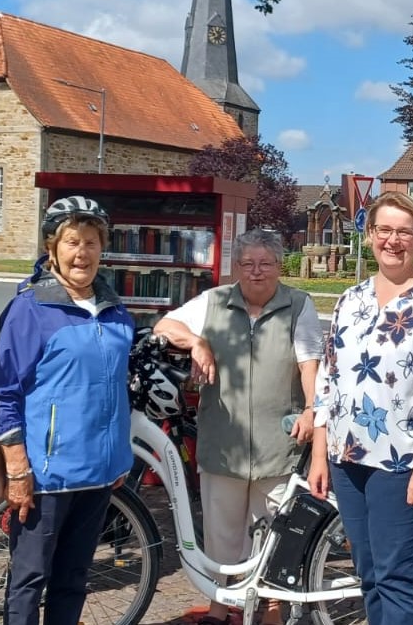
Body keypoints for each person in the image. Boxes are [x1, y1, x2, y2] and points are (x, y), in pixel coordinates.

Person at [308, 190, 413, 625]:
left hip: (404, 462)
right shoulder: (350, 300)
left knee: (399, 576)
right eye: (384, 230)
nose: (392, 241)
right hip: (348, 458)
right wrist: (320, 454)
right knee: (370, 575)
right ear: (369, 235)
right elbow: (329, 380)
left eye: (404, 232)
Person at [154, 230, 324, 625]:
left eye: (265, 264)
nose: (256, 272)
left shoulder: (298, 305)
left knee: (275, 534)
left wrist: (312, 409)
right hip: (223, 443)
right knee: (222, 534)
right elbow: (164, 326)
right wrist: (197, 342)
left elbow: (309, 364)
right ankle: (219, 607)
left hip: (279, 443)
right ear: (236, 268)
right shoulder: (214, 302)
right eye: (247, 264)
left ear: (280, 267)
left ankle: (273, 610)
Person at [0, 196, 137, 625]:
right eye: (72, 241)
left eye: (91, 241)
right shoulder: (31, 310)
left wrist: (116, 451)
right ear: (52, 247)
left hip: (100, 470)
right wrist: (16, 466)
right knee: (30, 580)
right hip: (47, 474)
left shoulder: (114, 310)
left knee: (74, 578)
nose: (82, 252)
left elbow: (112, 387)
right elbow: (4, 391)